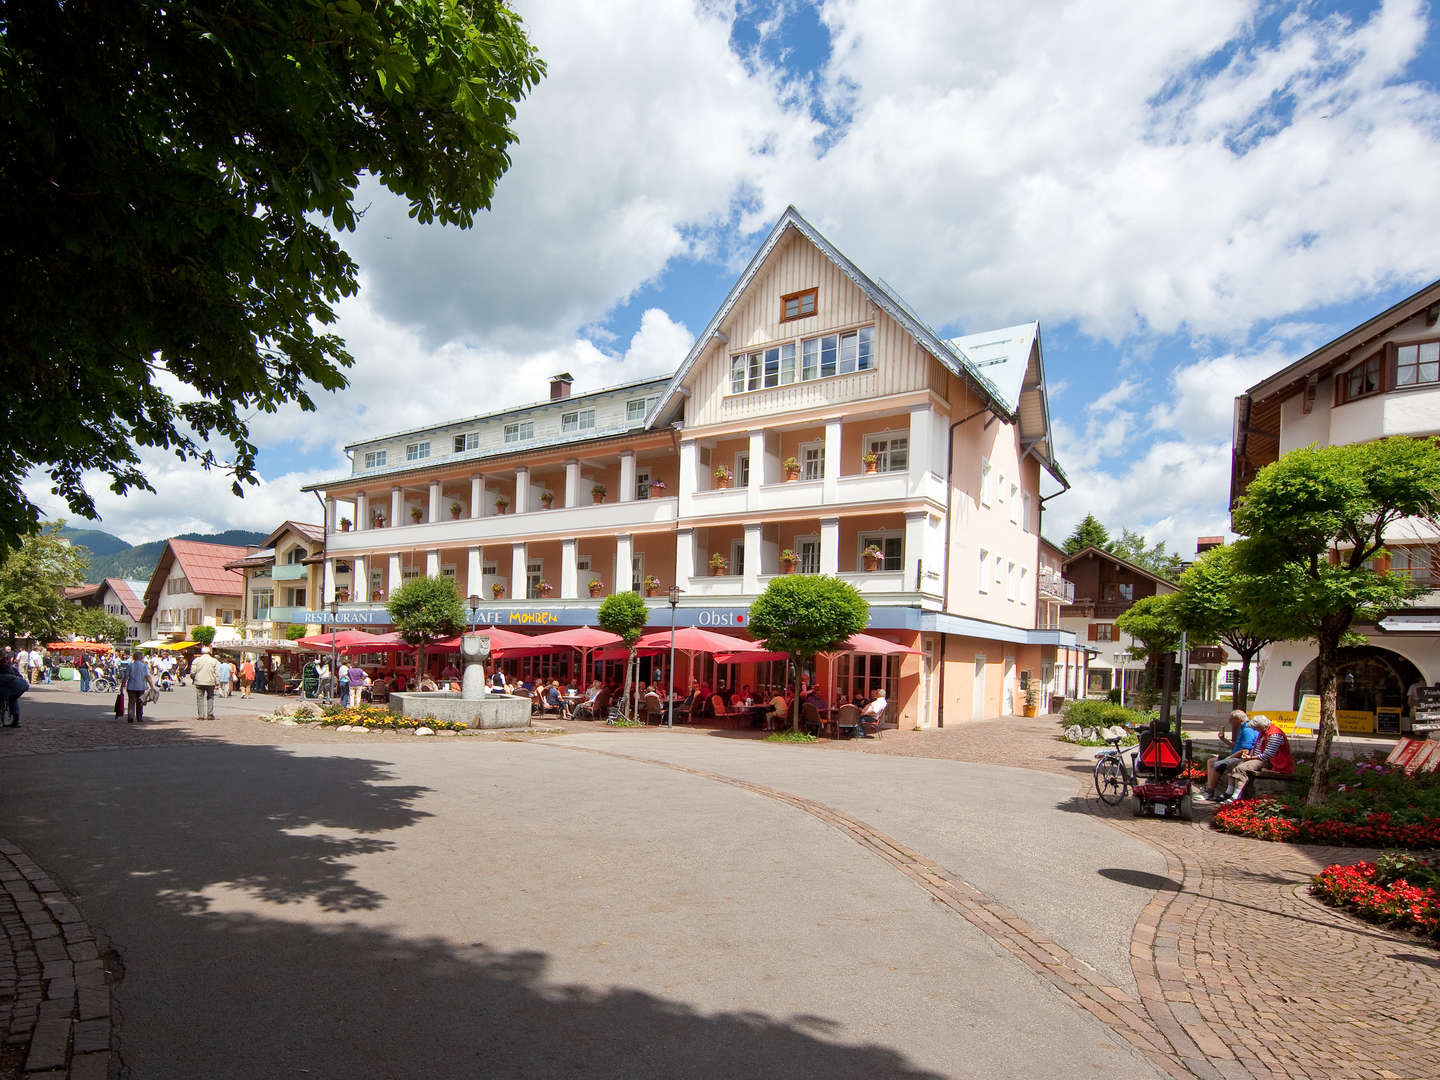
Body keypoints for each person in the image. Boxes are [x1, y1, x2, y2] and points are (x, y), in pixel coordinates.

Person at [1219, 716, 1294, 803]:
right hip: (1258, 758)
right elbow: (1256, 748)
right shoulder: (1264, 731)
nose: (1255, 730)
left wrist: (1250, 758)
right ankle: (1228, 793)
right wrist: (1248, 755)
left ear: (1262, 726)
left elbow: (1267, 755)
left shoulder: (1274, 734)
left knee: (1241, 768)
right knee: (1233, 765)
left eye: (1256, 728)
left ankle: (1236, 797)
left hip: (1273, 762)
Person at [1197, 710, 1261, 801]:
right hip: (1236, 755)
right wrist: (1223, 740)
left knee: (1219, 763)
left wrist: (1229, 758)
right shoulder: (1243, 728)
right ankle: (1209, 788)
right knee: (1211, 761)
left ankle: (1210, 791)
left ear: (1237, 719)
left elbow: (1245, 750)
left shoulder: (1247, 730)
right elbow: (1238, 746)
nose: (1229, 722)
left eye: (1231, 719)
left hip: (1242, 757)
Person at [0, 648, 29, 727]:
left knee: (2, 700)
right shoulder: (7, 663)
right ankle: (16, 721)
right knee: (12, 699)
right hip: (21, 684)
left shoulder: (3, 664)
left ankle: (1, 721)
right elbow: (18, 675)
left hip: (10, 683)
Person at [124, 650, 156, 723]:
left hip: (131, 686)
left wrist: (122, 685)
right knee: (140, 702)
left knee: (131, 702)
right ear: (141, 657)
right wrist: (152, 686)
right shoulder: (144, 666)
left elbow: (126, 676)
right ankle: (139, 717)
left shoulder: (130, 665)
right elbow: (147, 676)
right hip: (141, 686)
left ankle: (130, 717)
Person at [190, 646, 219, 721]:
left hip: (199, 681)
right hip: (210, 681)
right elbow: (217, 672)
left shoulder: (196, 660)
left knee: (200, 698)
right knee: (210, 697)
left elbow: (193, 672)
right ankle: (210, 714)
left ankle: (201, 715)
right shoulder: (214, 661)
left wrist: (193, 678)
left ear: (201, 652)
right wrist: (217, 682)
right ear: (209, 652)